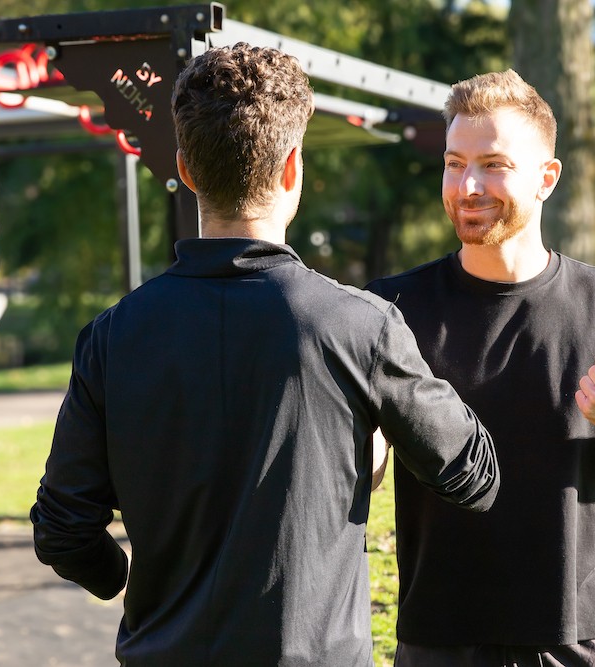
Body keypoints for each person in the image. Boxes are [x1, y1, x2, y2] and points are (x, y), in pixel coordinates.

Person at [30, 43, 499, 667]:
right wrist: (379, 442)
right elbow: (475, 475)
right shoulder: (361, 327)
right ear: (292, 169)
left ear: (186, 171)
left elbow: (63, 529)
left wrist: (123, 581)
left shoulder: (113, 336)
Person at [367, 69, 595, 666]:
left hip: (581, 640)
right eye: (453, 162)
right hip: (440, 641)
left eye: (494, 164)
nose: (468, 185)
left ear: (547, 178)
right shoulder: (392, 310)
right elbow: (356, 475)